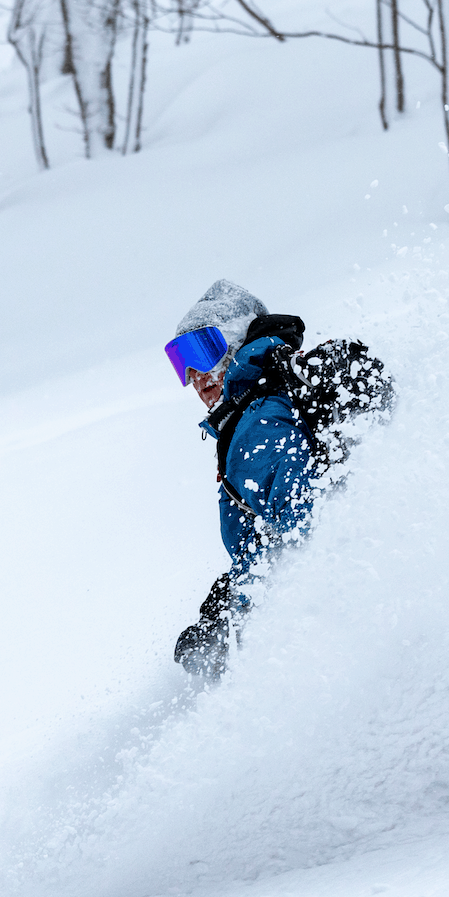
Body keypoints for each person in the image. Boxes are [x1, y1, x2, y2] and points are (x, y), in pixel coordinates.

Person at [167, 280, 315, 678]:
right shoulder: (249, 419)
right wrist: (223, 604)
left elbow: (306, 537)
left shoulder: (258, 426)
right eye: (182, 361)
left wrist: (232, 616)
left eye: (203, 351)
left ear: (234, 344)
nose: (196, 375)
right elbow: (267, 548)